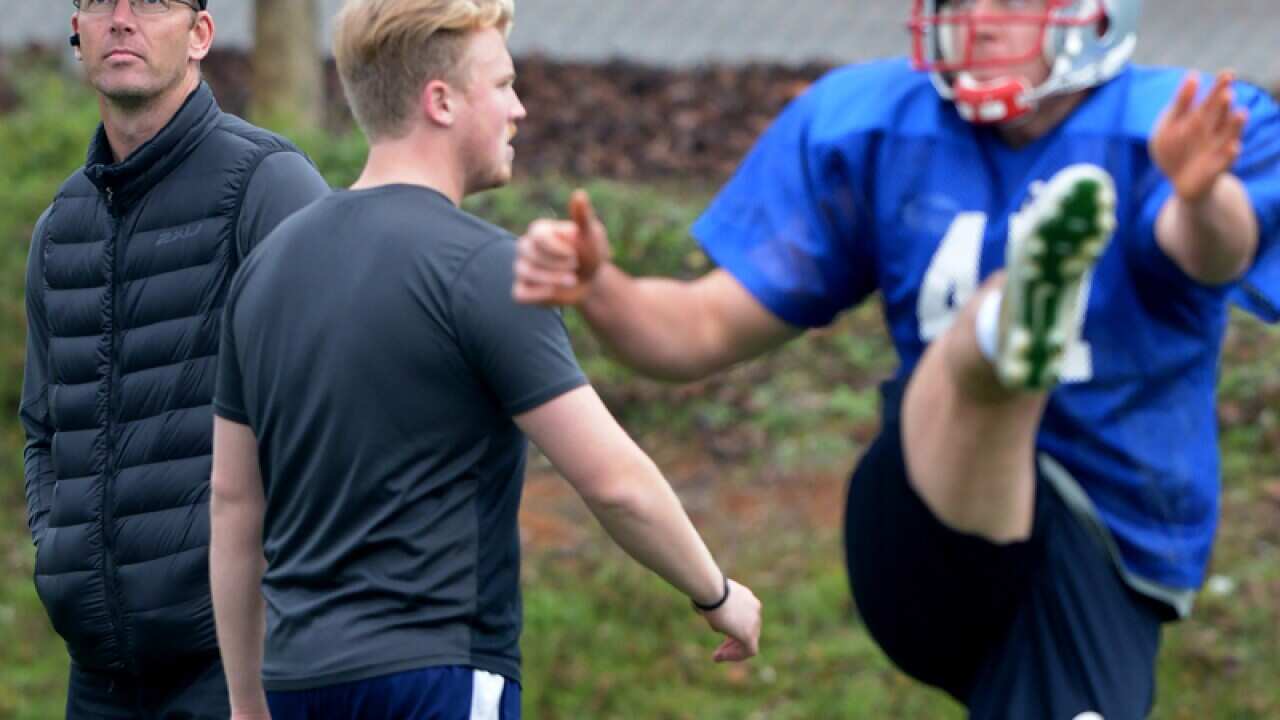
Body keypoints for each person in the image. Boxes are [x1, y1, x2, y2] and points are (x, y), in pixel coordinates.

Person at [512, 0, 1280, 716]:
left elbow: (1213, 251)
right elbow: (700, 327)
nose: (977, 19)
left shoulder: (1174, 123)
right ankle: (1008, 324)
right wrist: (602, 289)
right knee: (977, 370)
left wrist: (1201, 194)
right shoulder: (880, 124)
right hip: (928, 518)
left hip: (1102, 541)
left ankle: (1012, 323)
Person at [208, 1, 762, 718]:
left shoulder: (266, 267)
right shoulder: (483, 270)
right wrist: (717, 593)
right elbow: (614, 483)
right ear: (441, 101)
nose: (520, 108)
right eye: (502, 84)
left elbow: (234, 501)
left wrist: (246, 701)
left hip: (297, 682)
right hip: (435, 675)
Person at [19, 0, 331, 716]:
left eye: (153, 1)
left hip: (236, 667)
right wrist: (58, 547)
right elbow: (43, 430)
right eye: (101, 1)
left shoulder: (268, 186)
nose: (122, 18)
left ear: (200, 35)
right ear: (77, 31)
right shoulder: (60, 229)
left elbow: (333, 408)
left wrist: (268, 594)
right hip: (97, 677)